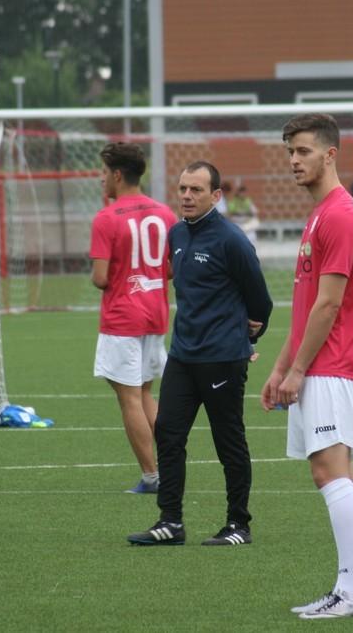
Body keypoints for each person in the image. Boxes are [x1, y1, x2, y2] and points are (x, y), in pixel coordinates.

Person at [261, 114, 353, 620]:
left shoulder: (341, 216)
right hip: (319, 363)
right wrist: (280, 366)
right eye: (290, 152)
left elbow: (328, 306)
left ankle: (351, 594)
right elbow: (306, 306)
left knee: (330, 469)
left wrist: (299, 370)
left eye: (303, 151)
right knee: (331, 472)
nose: (293, 161)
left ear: (330, 154)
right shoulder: (319, 215)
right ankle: (348, 589)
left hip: (333, 364)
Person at [127, 160, 273, 547]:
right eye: (183, 189)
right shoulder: (176, 233)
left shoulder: (232, 240)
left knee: (229, 440)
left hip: (223, 357)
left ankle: (238, 524)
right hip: (183, 354)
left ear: (216, 196)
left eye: (196, 190)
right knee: (168, 433)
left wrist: (248, 342)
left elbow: (261, 301)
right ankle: (170, 521)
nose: (187, 196)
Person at [89, 142, 177, 494]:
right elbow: (170, 267)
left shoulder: (106, 218)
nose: (101, 180)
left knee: (129, 398)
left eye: (102, 173)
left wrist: (123, 276)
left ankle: (153, 476)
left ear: (117, 174)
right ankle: (170, 468)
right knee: (144, 394)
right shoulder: (165, 213)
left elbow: (100, 277)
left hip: (123, 317)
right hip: (155, 314)